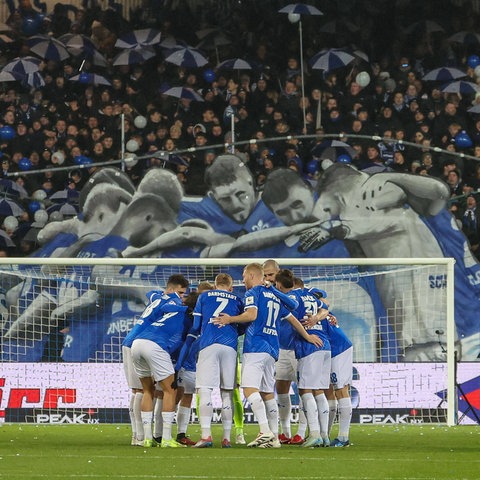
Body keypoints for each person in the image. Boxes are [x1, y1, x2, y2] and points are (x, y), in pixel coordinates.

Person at [213, 263, 322, 448]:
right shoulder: (274, 296)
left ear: (253, 276)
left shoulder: (253, 293)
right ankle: (275, 439)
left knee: (249, 389)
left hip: (256, 346)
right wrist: (307, 335)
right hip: (272, 349)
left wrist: (229, 319)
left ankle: (265, 431)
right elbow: (293, 314)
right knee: (267, 393)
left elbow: (252, 315)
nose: (243, 279)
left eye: (245, 276)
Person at [121, 274, 189, 447]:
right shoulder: (173, 304)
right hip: (142, 341)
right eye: (180, 293)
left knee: (145, 390)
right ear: (173, 290)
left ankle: (145, 437)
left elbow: (151, 293)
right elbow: (170, 306)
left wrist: (165, 295)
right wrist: (178, 303)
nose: (182, 297)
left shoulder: (156, 297)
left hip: (134, 342)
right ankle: (145, 436)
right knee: (148, 391)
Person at [176, 273, 243, 448]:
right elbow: (242, 324)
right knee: (227, 392)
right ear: (230, 287)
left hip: (209, 343)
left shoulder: (204, 296)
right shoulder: (237, 299)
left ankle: (206, 435)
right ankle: (227, 438)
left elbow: (197, 325)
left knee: (204, 389)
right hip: (230, 346)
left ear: (214, 286)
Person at [275, 270, 331, 447]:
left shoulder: (292, 297)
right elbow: (326, 307)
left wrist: (306, 335)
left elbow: (292, 318)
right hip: (324, 345)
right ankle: (324, 435)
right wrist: (317, 317)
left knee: (305, 390)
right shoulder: (310, 296)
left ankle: (314, 433)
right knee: (319, 391)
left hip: (309, 346)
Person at [178, 154, 284, 236]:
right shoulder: (206, 209)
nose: (236, 204)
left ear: (250, 183)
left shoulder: (278, 206)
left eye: (241, 194)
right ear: (213, 197)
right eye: (225, 199)